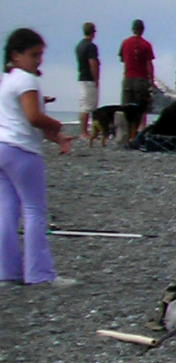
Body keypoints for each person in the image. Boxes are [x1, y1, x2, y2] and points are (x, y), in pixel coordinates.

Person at [2, 28, 74, 286]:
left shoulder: (7, 80)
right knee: (34, 210)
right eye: (34, 55)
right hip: (22, 152)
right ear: (16, 55)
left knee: (7, 210)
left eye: (40, 55)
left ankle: (7, 271)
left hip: (3, 147)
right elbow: (33, 117)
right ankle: (39, 274)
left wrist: (56, 137)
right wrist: (56, 125)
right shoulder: (26, 81)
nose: (39, 61)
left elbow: (17, 120)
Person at [118, 19, 156, 138]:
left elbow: (122, 58)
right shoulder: (146, 44)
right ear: (142, 30)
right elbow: (149, 64)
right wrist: (152, 80)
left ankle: (125, 132)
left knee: (126, 107)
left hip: (128, 78)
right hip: (141, 79)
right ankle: (139, 131)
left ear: (132, 29)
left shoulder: (125, 43)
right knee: (141, 107)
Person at [75, 22, 102, 146]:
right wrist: (96, 78)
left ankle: (85, 130)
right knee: (89, 106)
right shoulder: (91, 46)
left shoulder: (79, 46)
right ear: (93, 32)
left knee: (84, 104)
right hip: (89, 78)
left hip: (82, 77)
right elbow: (93, 63)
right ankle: (85, 132)